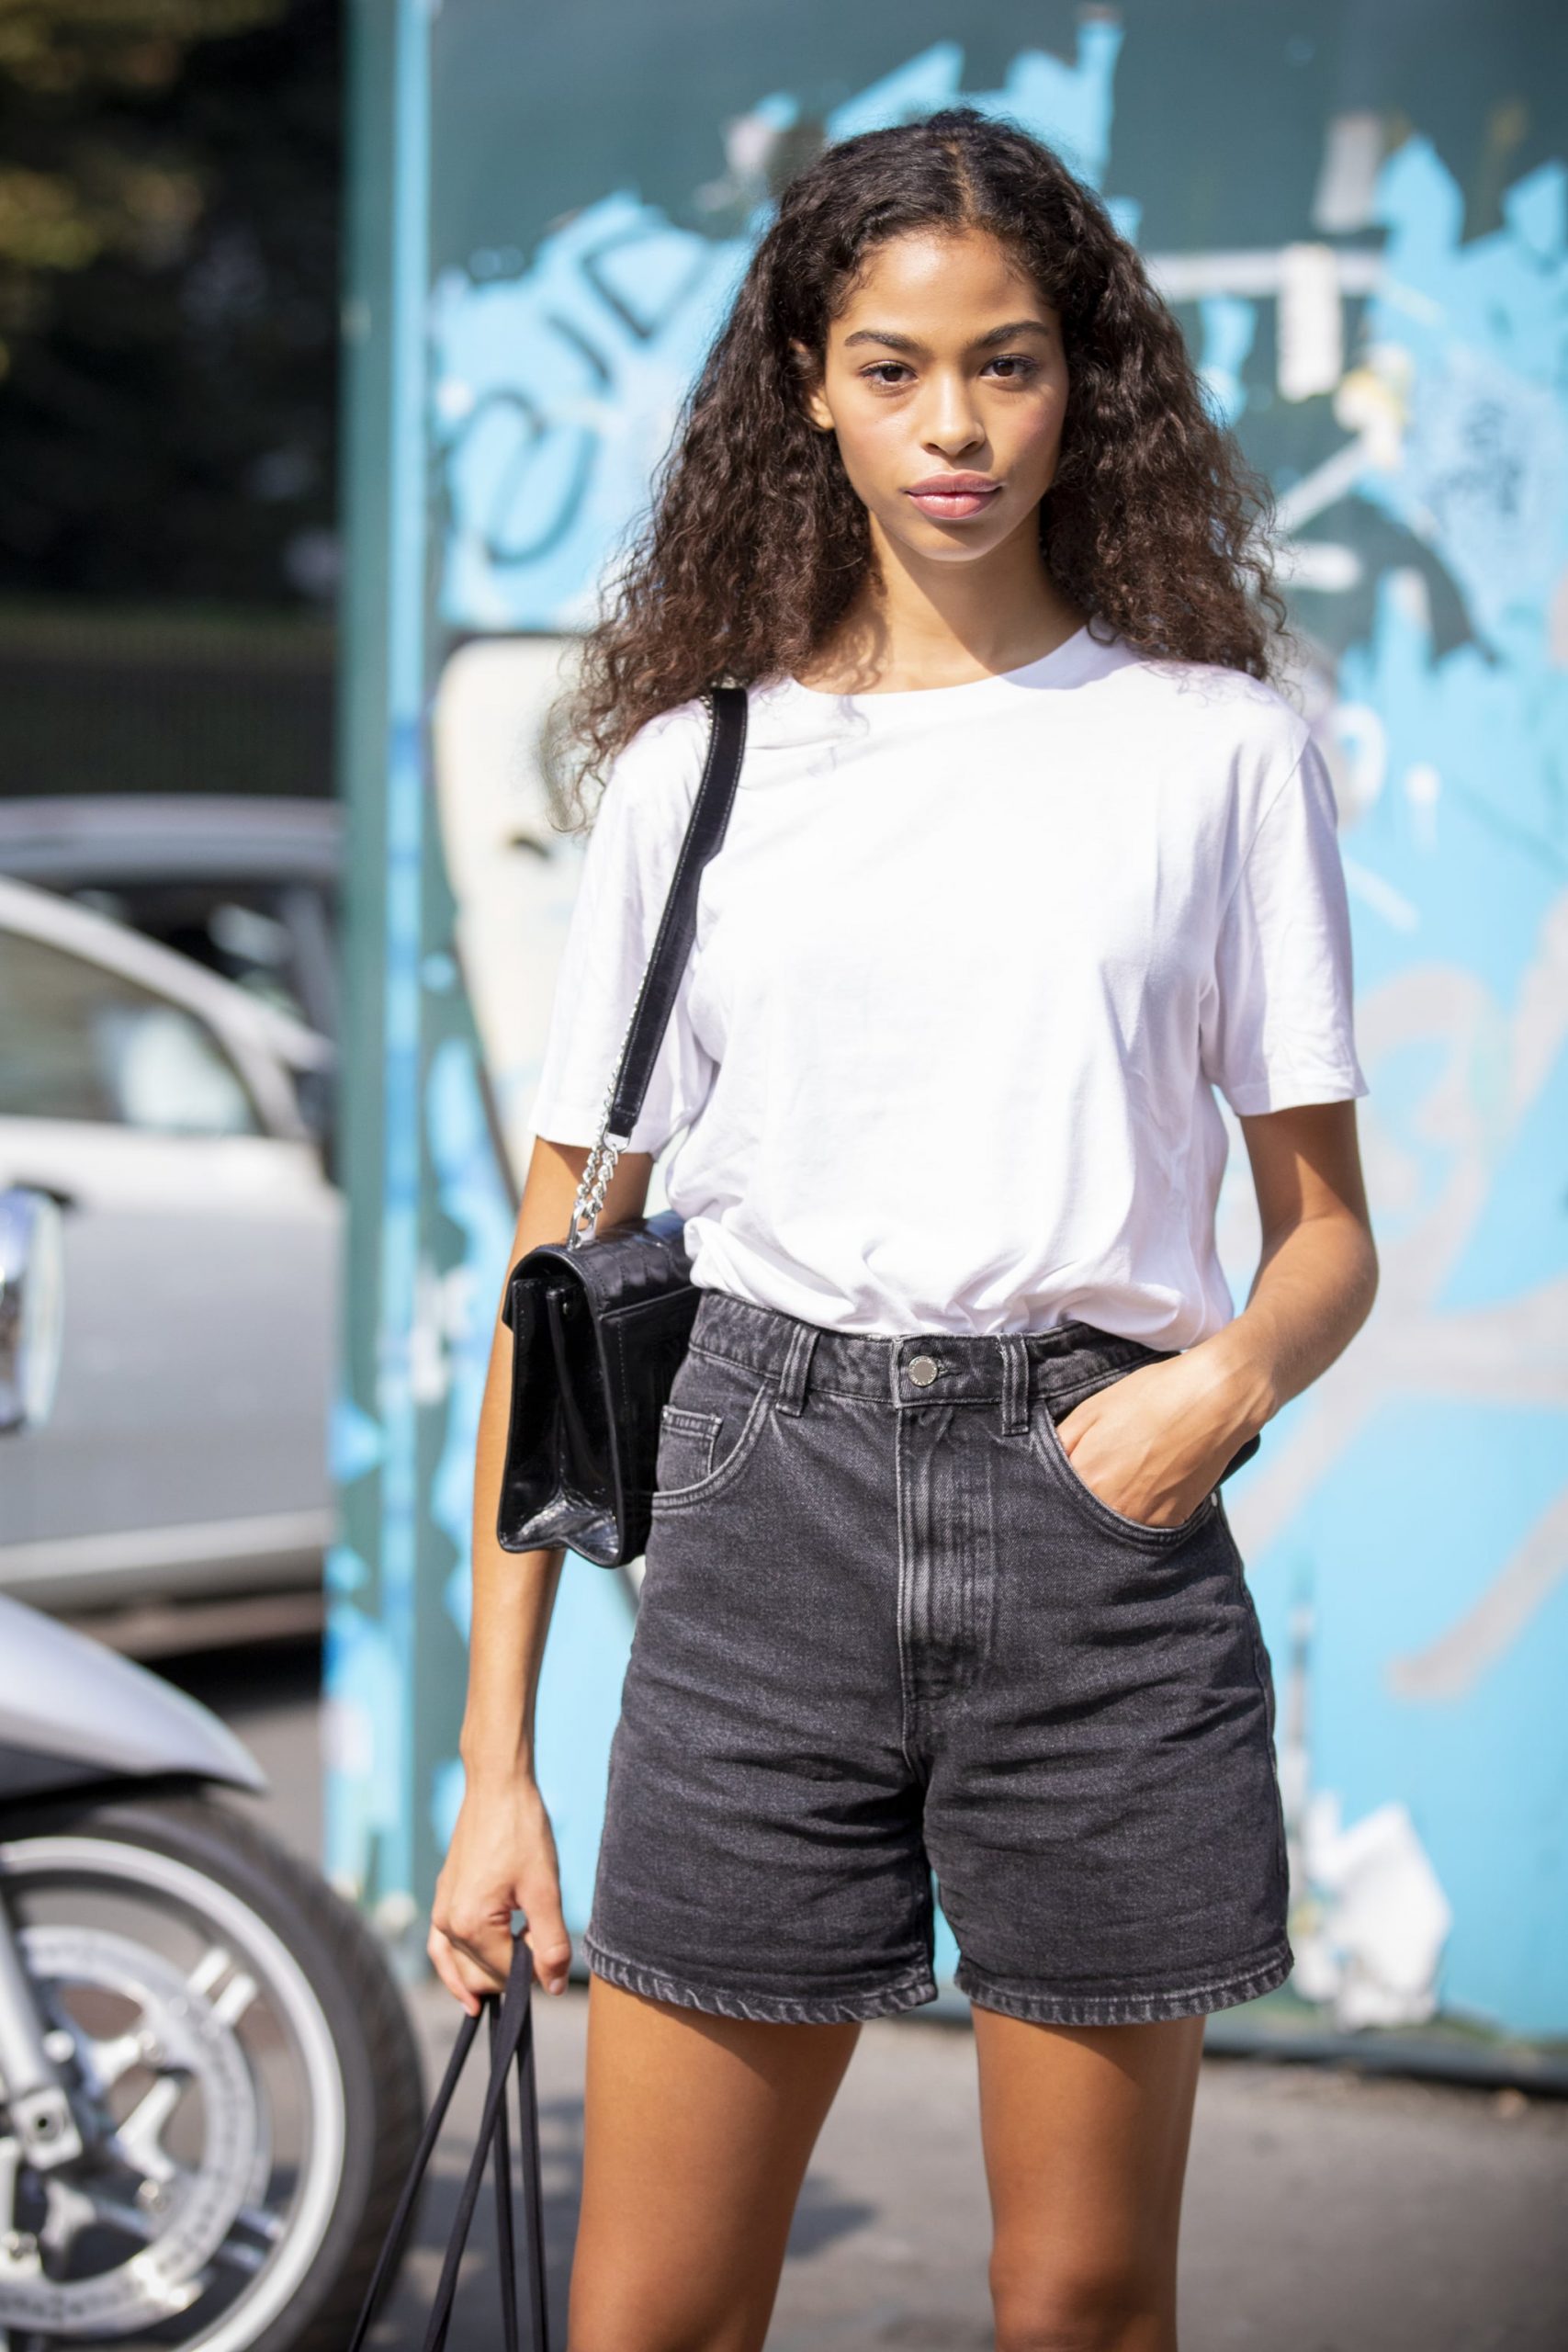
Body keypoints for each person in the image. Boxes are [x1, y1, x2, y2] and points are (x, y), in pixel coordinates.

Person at [430, 106, 1377, 2352]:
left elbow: (1324, 1232)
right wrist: (495, 1770)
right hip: (760, 1516)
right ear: (805, 387)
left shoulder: (1215, 752)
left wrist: (1213, 1392)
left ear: (1085, 381)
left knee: (1075, 2296)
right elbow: (553, 1288)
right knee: (654, 2312)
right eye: (889, 366)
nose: (951, 425)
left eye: (1008, 363)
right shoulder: (703, 766)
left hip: (1098, 1534)